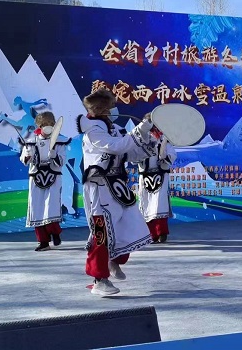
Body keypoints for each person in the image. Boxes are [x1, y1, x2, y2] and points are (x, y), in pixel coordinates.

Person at [77, 88, 155, 297]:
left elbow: (132, 153)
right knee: (101, 232)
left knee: (128, 225)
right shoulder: (93, 131)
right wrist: (139, 129)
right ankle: (99, 279)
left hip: (118, 186)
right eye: (110, 106)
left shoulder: (115, 129)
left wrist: (146, 133)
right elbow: (116, 147)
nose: (113, 109)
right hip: (100, 187)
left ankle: (114, 260)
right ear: (100, 109)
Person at [19, 111, 68, 251]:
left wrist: (54, 156)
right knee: (37, 209)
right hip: (36, 178)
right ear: (39, 126)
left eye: (51, 124)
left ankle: (55, 232)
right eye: (45, 124)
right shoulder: (30, 142)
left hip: (53, 177)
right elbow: (23, 160)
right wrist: (27, 156)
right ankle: (43, 241)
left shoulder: (60, 141)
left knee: (51, 207)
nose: (48, 126)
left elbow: (62, 160)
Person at [136, 119, 177, 243]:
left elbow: (172, 155)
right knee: (146, 204)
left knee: (159, 205)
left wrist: (164, 157)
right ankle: (151, 234)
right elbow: (134, 156)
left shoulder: (165, 140)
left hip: (161, 175)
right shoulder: (140, 140)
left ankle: (161, 232)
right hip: (145, 176)